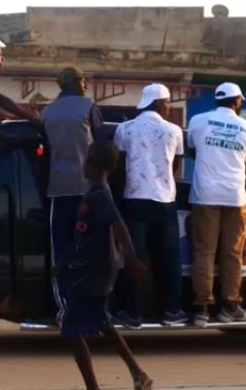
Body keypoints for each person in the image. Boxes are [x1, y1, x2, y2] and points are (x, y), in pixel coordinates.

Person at [62, 140, 153, 390]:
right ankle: (138, 373)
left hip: (93, 273)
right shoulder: (97, 191)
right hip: (95, 270)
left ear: (89, 162)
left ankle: (94, 387)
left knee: (70, 331)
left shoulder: (100, 193)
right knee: (103, 323)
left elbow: (119, 225)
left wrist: (133, 259)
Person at [113, 83, 187, 328]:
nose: (168, 108)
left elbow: (119, 166)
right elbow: (175, 166)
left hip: (135, 200)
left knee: (135, 258)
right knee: (169, 258)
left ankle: (133, 313)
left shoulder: (125, 129)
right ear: (159, 103)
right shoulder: (175, 131)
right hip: (165, 200)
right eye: (167, 103)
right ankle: (172, 312)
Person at [187, 82, 246, 327]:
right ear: (237, 101)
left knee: (204, 252)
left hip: (204, 197)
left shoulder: (197, 121)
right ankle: (231, 305)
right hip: (235, 198)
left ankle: (202, 310)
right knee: (232, 254)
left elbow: (193, 152)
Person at [42, 66, 104, 323]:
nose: (86, 84)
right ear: (72, 82)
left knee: (62, 252)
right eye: (83, 79)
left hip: (59, 191)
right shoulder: (89, 107)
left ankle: (66, 309)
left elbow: (44, 153)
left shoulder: (46, 113)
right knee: (94, 252)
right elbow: (102, 146)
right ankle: (96, 310)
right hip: (90, 190)